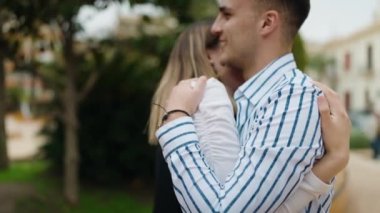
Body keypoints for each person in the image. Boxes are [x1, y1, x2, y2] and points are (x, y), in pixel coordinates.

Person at [155, 0, 351, 212]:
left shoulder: (292, 99)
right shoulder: (256, 101)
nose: (215, 28)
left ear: (267, 23)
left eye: (227, 15)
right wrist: (331, 164)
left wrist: (176, 117)